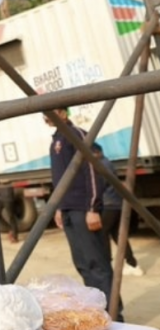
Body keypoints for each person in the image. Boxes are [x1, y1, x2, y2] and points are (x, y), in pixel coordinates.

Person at [45, 108, 120, 316]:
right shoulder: (56, 141)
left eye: (49, 112)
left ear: (62, 113)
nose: (44, 117)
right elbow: (59, 179)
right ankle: (99, 311)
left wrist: (92, 208)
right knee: (83, 264)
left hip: (83, 209)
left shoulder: (76, 134)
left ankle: (114, 314)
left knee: (98, 264)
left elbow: (92, 171)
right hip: (68, 210)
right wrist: (59, 207)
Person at [91, 142, 144, 277]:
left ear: (96, 152)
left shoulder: (101, 165)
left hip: (108, 205)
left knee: (102, 234)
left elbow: (99, 186)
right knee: (118, 235)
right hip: (116, 204)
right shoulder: (106, 163)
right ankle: (133, 264)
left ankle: (106, 264)